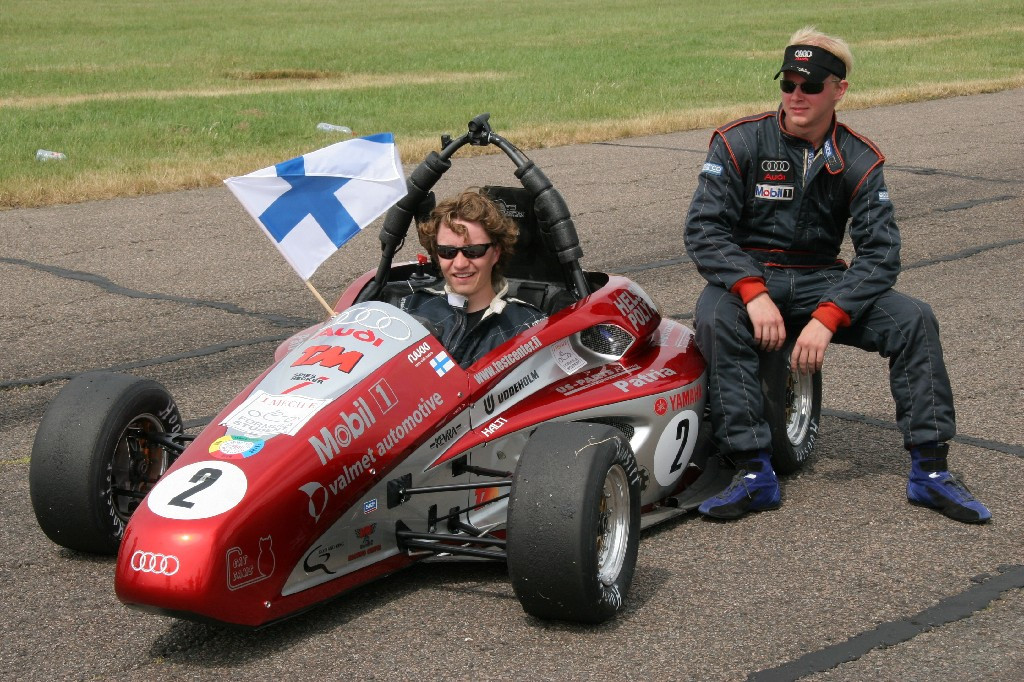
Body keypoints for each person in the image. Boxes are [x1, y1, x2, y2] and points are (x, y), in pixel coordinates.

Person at [683, 27, 990, 523]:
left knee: (915, 319)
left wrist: (829, 315)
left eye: (811, 84)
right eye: (788, 83)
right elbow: (703, 230)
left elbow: (881, 254)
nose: (797, 95)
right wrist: (750, 289)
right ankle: (753, 470)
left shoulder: (860, 158)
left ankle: (931, 473)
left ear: (839, 89)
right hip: (749, 275)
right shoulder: (737, 141)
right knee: (717, 319)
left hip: (821, 279)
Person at [400, 189, 545, 367]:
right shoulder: (409, 308)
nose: (460, 263)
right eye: (447, 252)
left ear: (496, 253)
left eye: (473, 251)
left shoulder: (527, 326)